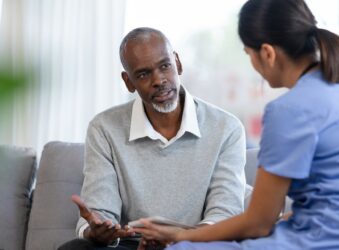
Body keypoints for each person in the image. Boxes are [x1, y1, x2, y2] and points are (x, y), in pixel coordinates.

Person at [130, 0, 339, 249]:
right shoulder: (331, 91)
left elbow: (258, 223)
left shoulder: (289, 110)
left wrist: (178, 236)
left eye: (249, 55)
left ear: (268, 54)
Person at [58, 27, 246, 250]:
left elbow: (224, 213)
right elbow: (100, 211)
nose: (159, 80)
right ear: (129, 82)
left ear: (177, 63)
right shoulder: (104, 128)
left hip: (194, 243)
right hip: (131, 245)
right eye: (144, 74)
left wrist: (178, 239)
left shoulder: (227, 128)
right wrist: (97, 231)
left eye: (165, 66)